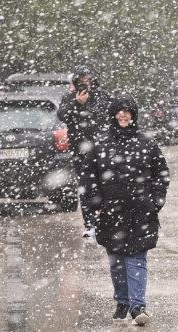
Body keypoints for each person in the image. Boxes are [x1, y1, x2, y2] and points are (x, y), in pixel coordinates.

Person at [80, 93, 170, 326]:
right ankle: (122, 301)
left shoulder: (146, 143)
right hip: (111, 212)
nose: (123, 114)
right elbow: (89, 178)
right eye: (119, 111)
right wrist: (97, 204)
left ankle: (138, 305)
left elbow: (162, 174)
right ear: (113, 115)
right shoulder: (100, 145)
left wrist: (155, 201)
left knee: (137, 258)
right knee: (117, 260)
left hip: (141, 211)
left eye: (127, 111)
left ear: (133, 115)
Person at [57, 65, 112, 238]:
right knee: (85, 188)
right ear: (75, 81)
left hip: (102, 150)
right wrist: (77, 104)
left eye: (87, 79)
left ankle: (107, 222)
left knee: (107, 187)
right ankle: (90, 224)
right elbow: (62, 116)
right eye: (80, 80)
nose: (84, 83)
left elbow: (106, 117)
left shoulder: (102, 97)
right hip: (80, 151)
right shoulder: (69, 98)